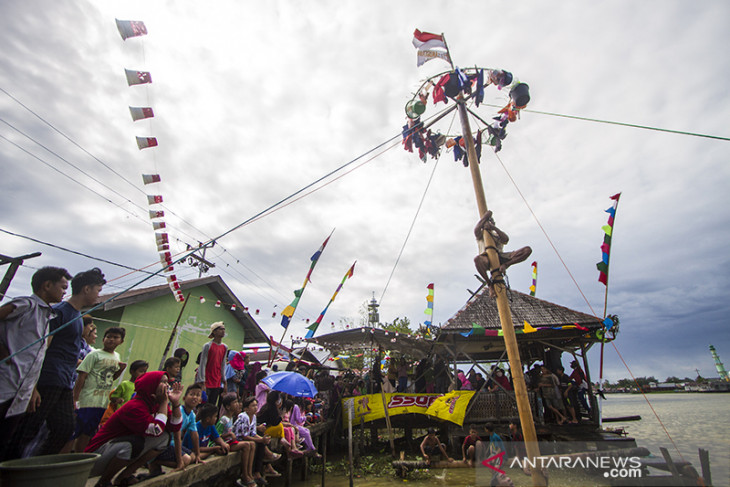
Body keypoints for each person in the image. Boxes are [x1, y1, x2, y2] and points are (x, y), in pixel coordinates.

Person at [16, 267, 106, 457]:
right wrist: (32, 386)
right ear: (87, 289)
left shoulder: (77, 317)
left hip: (64, 382)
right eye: (98, 290)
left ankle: (36, 464)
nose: (99, 296)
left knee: (65, 428)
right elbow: (41, 349)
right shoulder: (59, 313)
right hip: (48, 379)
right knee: (28, 428)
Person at [0, 266, 71, 461]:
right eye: (63, 287)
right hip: (5, 384)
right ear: (47, 285)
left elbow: (36, 358)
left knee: (6, 440)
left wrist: (32, 389)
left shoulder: (47, 316)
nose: (65, 292)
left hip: (21, 392)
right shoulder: (25, 305)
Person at [85, 371, 183, 487]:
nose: (167, 386)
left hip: (116, 451)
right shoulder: (135, 406)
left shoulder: (156, 404)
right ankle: (103, 482)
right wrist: (164, 402)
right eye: (162, 382)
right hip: (97, 458)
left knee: (164, 438)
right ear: (151, 385)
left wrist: (175, 403)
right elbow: (156, 430)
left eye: (167, 382)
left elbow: (174, 426)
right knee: (133, 444)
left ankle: (124, 476)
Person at [72, 326, 127, 453]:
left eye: (115, 337)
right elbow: (82, 376)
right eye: (109, 337)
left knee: (87, 433)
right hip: (86, 400)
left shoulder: (117, 357)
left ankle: (78, 458)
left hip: (101, 403)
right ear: (103, 339)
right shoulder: (94, 355)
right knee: (74, 433)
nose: (111, 340)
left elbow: (110, 379)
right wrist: (75, 398)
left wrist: (120, 370)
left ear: (121, 341)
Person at [149, 383, 203, 477]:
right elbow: (177, 436)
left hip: (175, 443)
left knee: (193, 457)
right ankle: (154, 461)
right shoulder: (179, 411)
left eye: (197, 395)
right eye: (192, 394)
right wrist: (179, 462)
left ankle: (156, 461)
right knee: (186, 460)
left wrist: (198, 454)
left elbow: (194, 434)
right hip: (167, 442)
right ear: (184, 398)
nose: (194, 397)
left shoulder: (191, 415)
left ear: (200, 401)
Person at [473, 211, 532, 296]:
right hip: (486, 257)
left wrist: (493, 227)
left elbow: (505, 239)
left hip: (500, 256)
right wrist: (487, 216)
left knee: (527, 250)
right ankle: (489, 284)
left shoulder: (497, 234)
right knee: (476, 259)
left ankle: (506, 265)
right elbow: (477, 228)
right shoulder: (481, 234)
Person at [233, 397, 280, 487]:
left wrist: (263, 439)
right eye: (253, 406)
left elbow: (253, 433)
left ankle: (250, 473)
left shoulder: (254, 417)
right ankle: (245, 474)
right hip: (238, 440)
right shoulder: (243, 417)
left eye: (256, 405)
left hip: (246, 440)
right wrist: (261, 440)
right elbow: (244, 436)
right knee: (251, 444)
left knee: (254, 444)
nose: (255, 407)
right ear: (246, 408)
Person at [99, 360, 149, 428]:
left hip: (129, 418)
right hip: (118, 415)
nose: (143, 374)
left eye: (145, 372)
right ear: (132, 372)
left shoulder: (142, 387)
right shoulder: (125, 384)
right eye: (141, 371)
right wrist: (117, 400)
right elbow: (113, 397)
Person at [257, 390, 303, 458]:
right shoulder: (271, 408)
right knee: (280, 425)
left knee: (284, 426)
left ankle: (288, 444)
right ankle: (286, 445)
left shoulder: (267, 406)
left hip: (267, 428)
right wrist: (281, 416)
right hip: (264, 430)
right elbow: (275, 423)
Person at [195, 322, 228, 407]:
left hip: (217, 381)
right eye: (220, 329)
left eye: (224, 329)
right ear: (214, 332)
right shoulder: (208, 346)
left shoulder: (224, 347)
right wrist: (202, 381)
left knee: (212, 405)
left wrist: (224, 379)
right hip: (207, 380)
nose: (223, 331)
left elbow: (223, 364)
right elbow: (202, 364)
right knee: (202, 405)